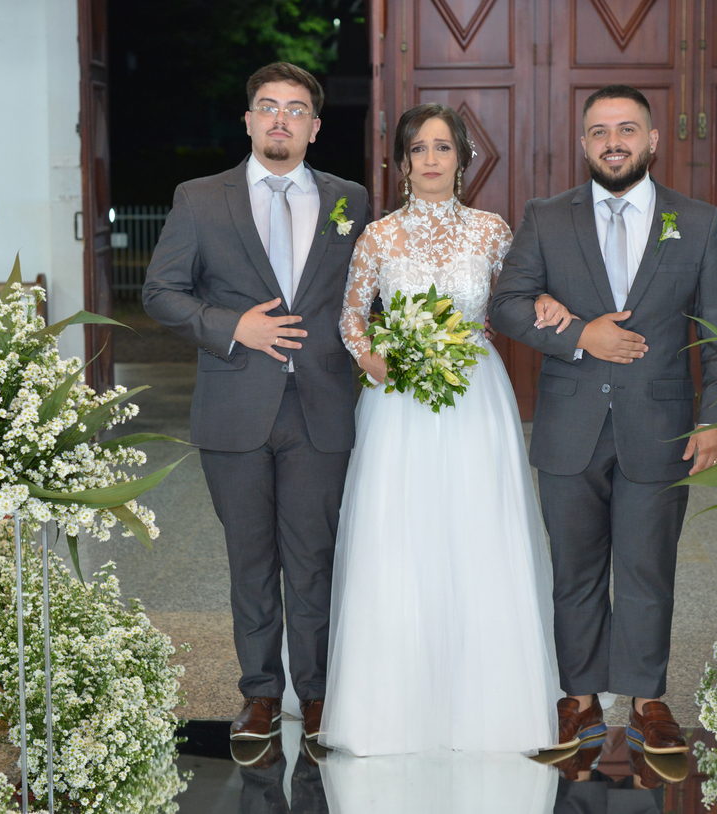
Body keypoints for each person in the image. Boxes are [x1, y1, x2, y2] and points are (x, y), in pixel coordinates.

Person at [489, 84, 717, 755]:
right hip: (570, 426)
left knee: (647, 567)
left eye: (628, 129)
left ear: (653, 140)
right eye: (600, 131)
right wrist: (577, 335)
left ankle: (648, 700)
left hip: (660, 428)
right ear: (583, 143)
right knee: (574, 570)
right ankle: (579, 697)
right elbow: (507, 304)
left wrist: (715, 418)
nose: (614, 141)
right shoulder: (547, 217)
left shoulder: (697, 221)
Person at [318, 103, 560, 756]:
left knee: (479, 534)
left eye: (443, 148)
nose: (431, 159)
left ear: (462, 160)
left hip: (476, 399)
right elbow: (350, 317)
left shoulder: (491, 231)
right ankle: (390, 708)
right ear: (401, 164)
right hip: (397, 403)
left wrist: (544, 301)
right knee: (398, 535)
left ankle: (491, 706)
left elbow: (515, 299)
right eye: (418, 148)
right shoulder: (377, 237)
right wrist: (368, 354)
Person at [141, 62, 370, 742]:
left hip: (322, 407)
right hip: (235, 408)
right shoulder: (200, 198)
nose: (280, 119)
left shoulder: (350, 200)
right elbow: (161, 292)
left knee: (313, 559)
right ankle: (261, 694)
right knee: (250, 559)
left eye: (295, 109)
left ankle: (321, 693)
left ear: (315, 126)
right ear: (247, 120)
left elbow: (371, 294)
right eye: (267, 107)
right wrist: (231, 326)